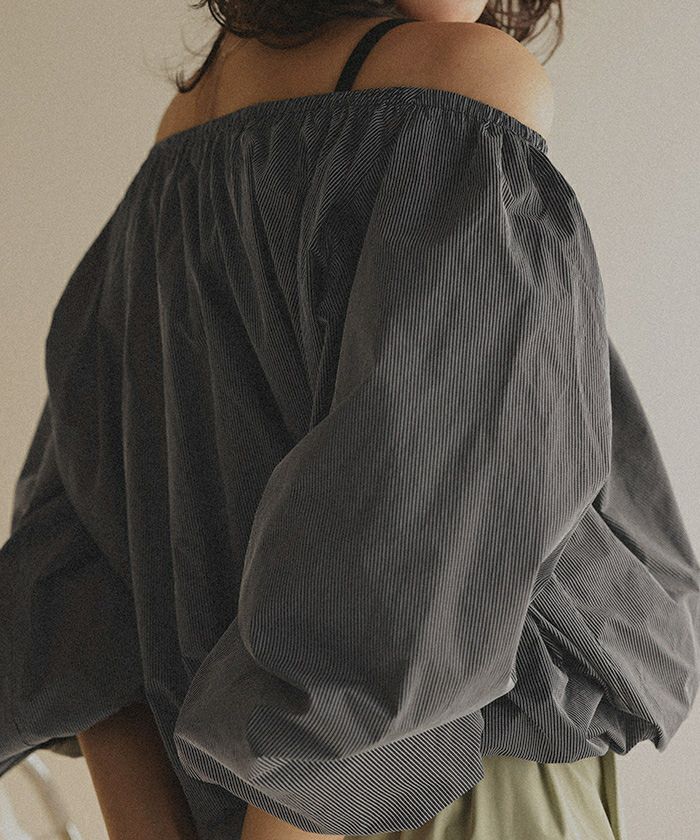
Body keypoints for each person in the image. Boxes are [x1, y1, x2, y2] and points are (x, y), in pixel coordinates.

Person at [2, 3, 698, 839]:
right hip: (453, 787)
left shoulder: (181, 142)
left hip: (273, 805)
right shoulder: (456, 86)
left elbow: (82, 584)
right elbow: (414, 540)